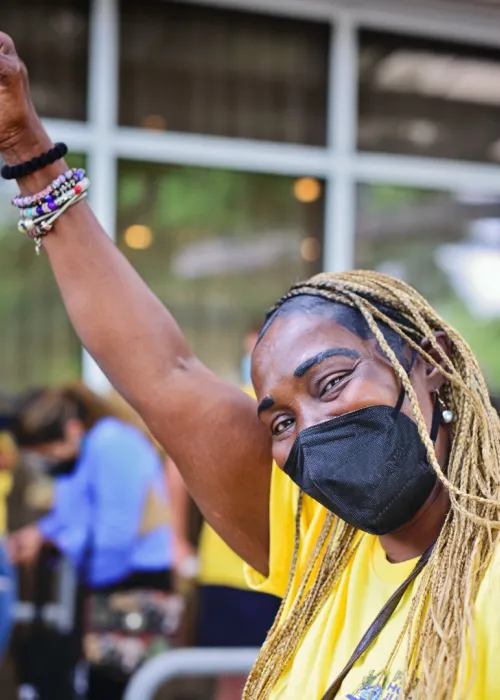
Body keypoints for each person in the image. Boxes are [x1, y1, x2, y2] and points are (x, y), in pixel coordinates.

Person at [1, 33, 500, 698]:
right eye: (281, 422)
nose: (312, 428)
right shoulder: (318, 542)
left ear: (431, 361)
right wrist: (27, 153)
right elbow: (162, 374)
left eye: (330, 382)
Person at [8, 385, 174, 700]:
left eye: (47, 452)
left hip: (132, 586)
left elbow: (115, 534)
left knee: (117, 688)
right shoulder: (83, 452)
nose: (47, 462)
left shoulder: (112, 443)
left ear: (70, 430)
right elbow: (75, 514)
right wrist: (42, 533)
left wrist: (60, 543)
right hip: (105, 583)